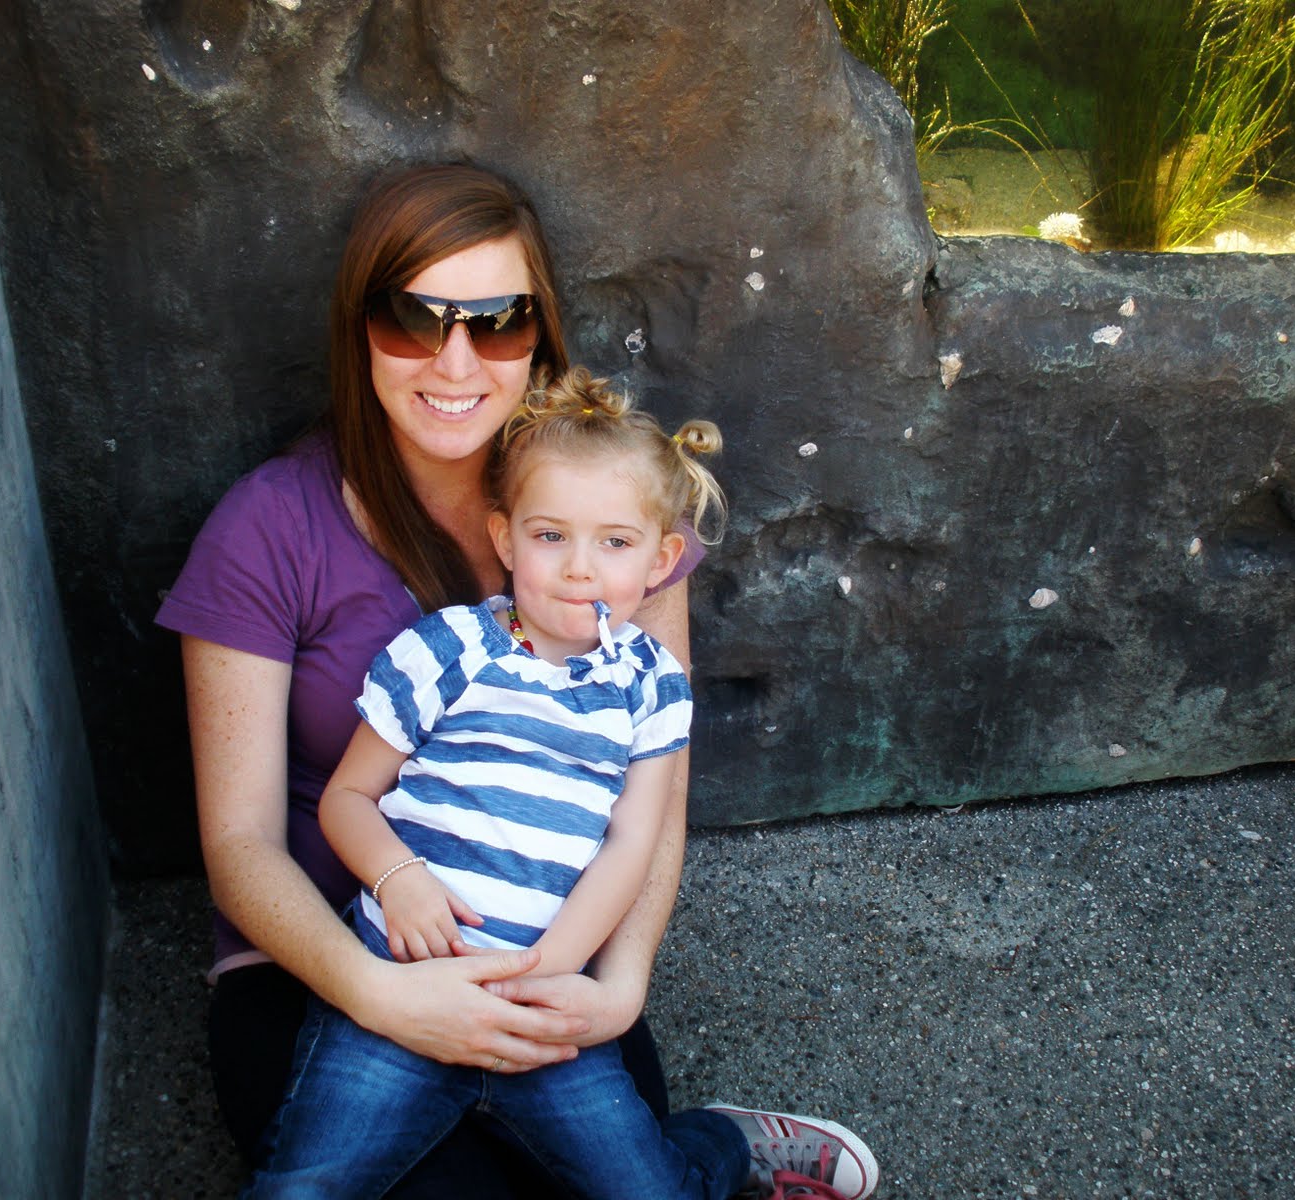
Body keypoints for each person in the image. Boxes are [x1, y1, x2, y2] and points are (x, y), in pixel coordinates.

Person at [156, 163, 877, 1199]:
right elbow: (239, 847)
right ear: (360, 327)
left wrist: (620, 988)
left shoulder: (613, 521)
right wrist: (378, 993)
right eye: (414, 317)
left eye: (496, 322)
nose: (454, 361)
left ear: (537, 335)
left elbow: (651, 802)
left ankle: (710, 1148)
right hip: (321, 953)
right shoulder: (267, 529)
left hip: (540, 945)